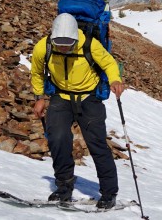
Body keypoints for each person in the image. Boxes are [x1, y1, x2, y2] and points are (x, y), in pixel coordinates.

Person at [31, 13, 125, 210]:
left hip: (89, 98)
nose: (64, 46)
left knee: (97, 144)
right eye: (60, 42)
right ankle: (63, 189)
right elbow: (37, 72)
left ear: (76, 36)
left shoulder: (90, 44)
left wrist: (115, 79)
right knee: (57, 140)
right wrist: (39, 98)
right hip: (60, 97)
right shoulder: (44, 46)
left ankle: (109, 193)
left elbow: (108, 63)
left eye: (68, 42)